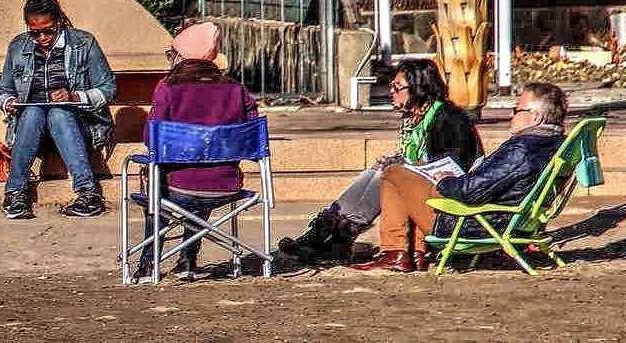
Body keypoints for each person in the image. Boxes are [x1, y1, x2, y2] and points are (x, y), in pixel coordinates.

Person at [279, 59, 483, 262]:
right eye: (391, 85)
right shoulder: (417, 119)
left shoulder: (449, 118)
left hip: (452, 192)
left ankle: (333, 237)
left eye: (398, 87)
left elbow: (454, 166)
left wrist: (409, 167)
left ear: (419, 89)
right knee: (377, 170)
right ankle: (329, 233)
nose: (391, 91)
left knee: (389, 173)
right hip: (427, 184)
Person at [351, 82, 568, 272]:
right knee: (413, 171)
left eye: (516, 110)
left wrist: (444, 179)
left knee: (393, 173)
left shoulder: (521, 150)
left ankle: (395, 252)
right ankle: (415, 253)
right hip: (509, 220)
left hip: (471, 223)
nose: (511, 115)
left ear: (536, 117)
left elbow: (468, 192)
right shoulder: (553, 144)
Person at [131, 22, 258, 281]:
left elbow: (151, 140)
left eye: (172, 54)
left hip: (179, 187)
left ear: (181, 56)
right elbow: (253, 136)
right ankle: (187, 259)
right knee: (206, 173)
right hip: (226, 186)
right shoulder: (236, 89)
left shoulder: (168, 88)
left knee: (159, 181)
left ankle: (148, 264)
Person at [0, 0, 117, 219]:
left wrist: (75, 97)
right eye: (35, 32)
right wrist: (8, 102)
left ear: (59, 21)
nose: (42, 37)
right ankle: (15, 193)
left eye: (48, 31)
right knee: (33, 111)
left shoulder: (84, 43)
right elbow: (3, 90)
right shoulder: (18, 46)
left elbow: (108, 88)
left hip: (77, 125)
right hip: (32, 128)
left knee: (58, 112)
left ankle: (88, 193)